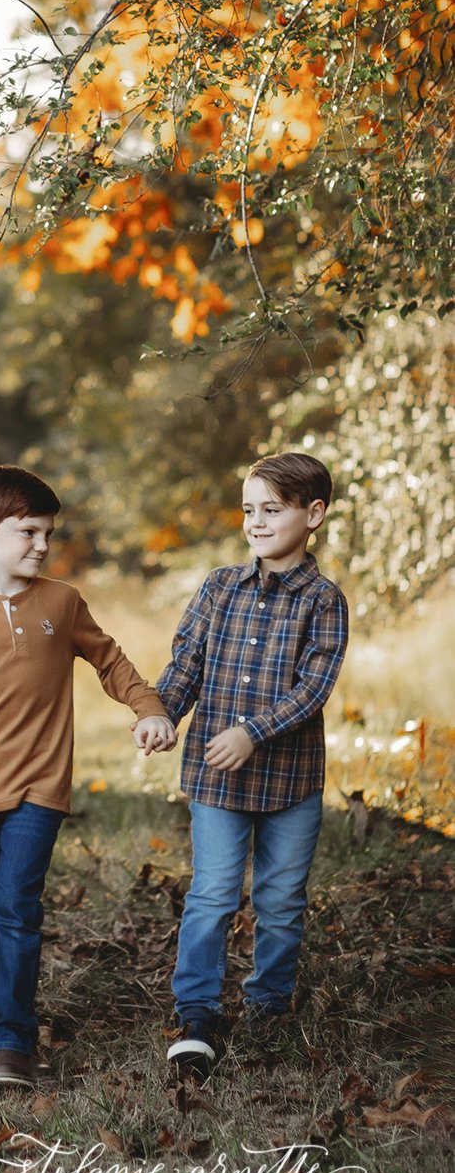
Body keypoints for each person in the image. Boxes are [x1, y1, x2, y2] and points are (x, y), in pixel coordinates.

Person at [0, 465, 175, 1092]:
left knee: (15, 906)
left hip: (40, 787)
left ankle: (12, 1042)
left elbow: (109, 658)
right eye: (28, 532)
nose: (42, 545)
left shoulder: (61, 602)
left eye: (47, 533)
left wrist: (149, 707)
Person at [155, 451, 349, 1078]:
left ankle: (267, 1005)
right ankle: (197, 1012)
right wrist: (162, 713)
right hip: (218, 776)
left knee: (281, 897)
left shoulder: (323, 600)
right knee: (212, 893)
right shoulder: (219, 587)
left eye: (272, 509)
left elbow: (313, 688)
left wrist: (252, 732)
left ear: (312, 514)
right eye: (248, 510)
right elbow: (188, 662)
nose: (256, 523)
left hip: (291, 781)